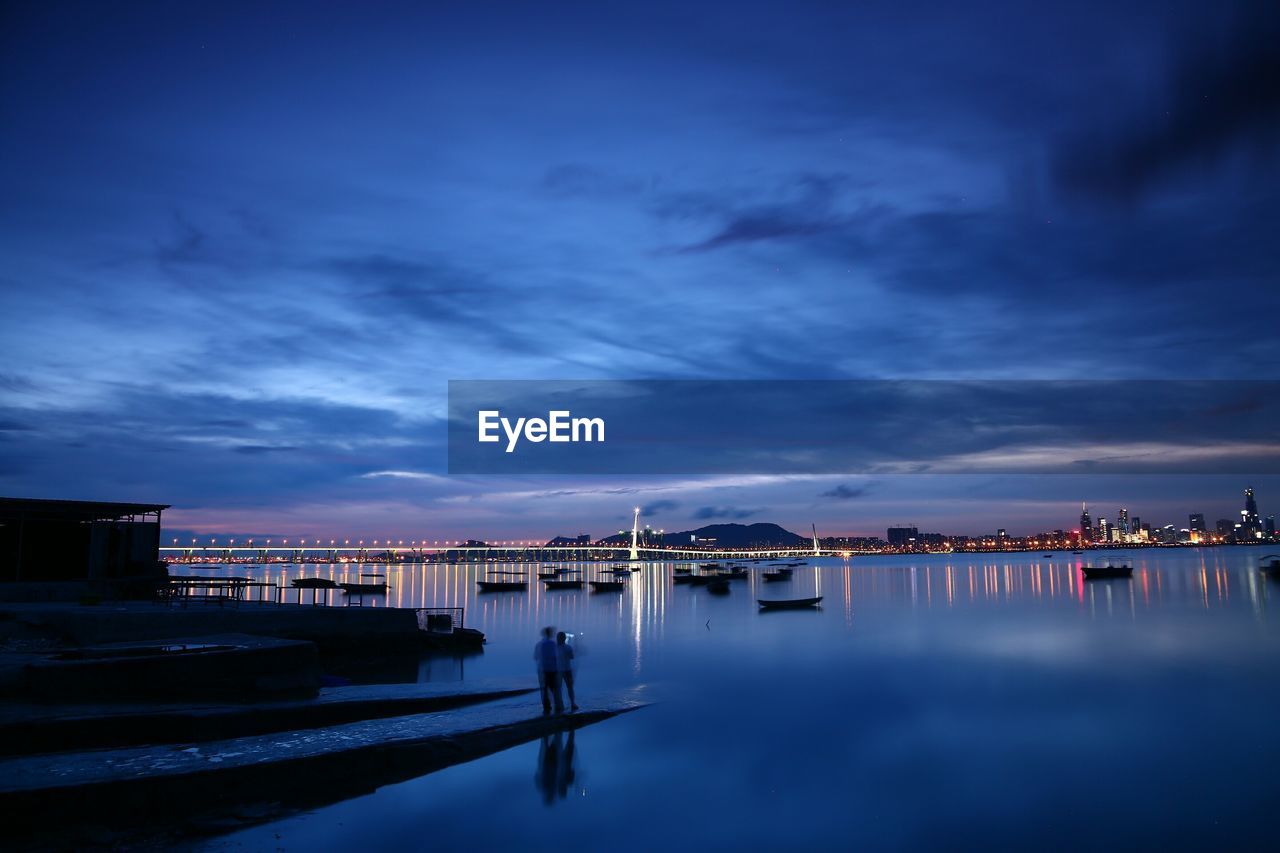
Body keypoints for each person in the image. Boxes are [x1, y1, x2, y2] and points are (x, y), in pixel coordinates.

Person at [534, 626, 563, 714]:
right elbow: (556, 656)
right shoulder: (553, 644)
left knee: (544, 689)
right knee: (554, 688)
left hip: (542, 669)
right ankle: (558, 707)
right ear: (550, 634)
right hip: (552, 669)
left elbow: (535, 657)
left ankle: (546, 707)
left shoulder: (539, 644)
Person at [556, 631, 579, 712]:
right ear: (564, 639)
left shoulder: (555, 648)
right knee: (570, 687)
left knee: (558, 688)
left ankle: (559, 704)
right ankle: (573, 703)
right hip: (567, 670)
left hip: (558, 670)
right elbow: (572, 657)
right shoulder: (568, 647)